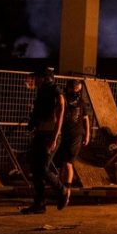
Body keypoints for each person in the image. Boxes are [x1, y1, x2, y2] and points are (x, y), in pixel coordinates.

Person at [21, 67, 69, 214]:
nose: (34, 80)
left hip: (50, 135)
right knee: (35, 170)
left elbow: (60, 116)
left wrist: (54, 138)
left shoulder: (56, 92)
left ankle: (62, 190)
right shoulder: (42, 93)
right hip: (41, 134)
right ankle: (39, 204)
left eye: (37, 77)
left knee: (43, 169)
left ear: (44, 78)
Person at [53, 79, 90, 208]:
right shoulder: (63, 100)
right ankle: (62, 189)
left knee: (68, 162)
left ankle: (66, 192)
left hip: (76, 135)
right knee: (61, 163)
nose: (77, 93)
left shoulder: (81, 102)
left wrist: (87, 134)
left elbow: (86, 119)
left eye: (79, 91)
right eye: (75, 90)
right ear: (69, 88)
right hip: (65, 135)